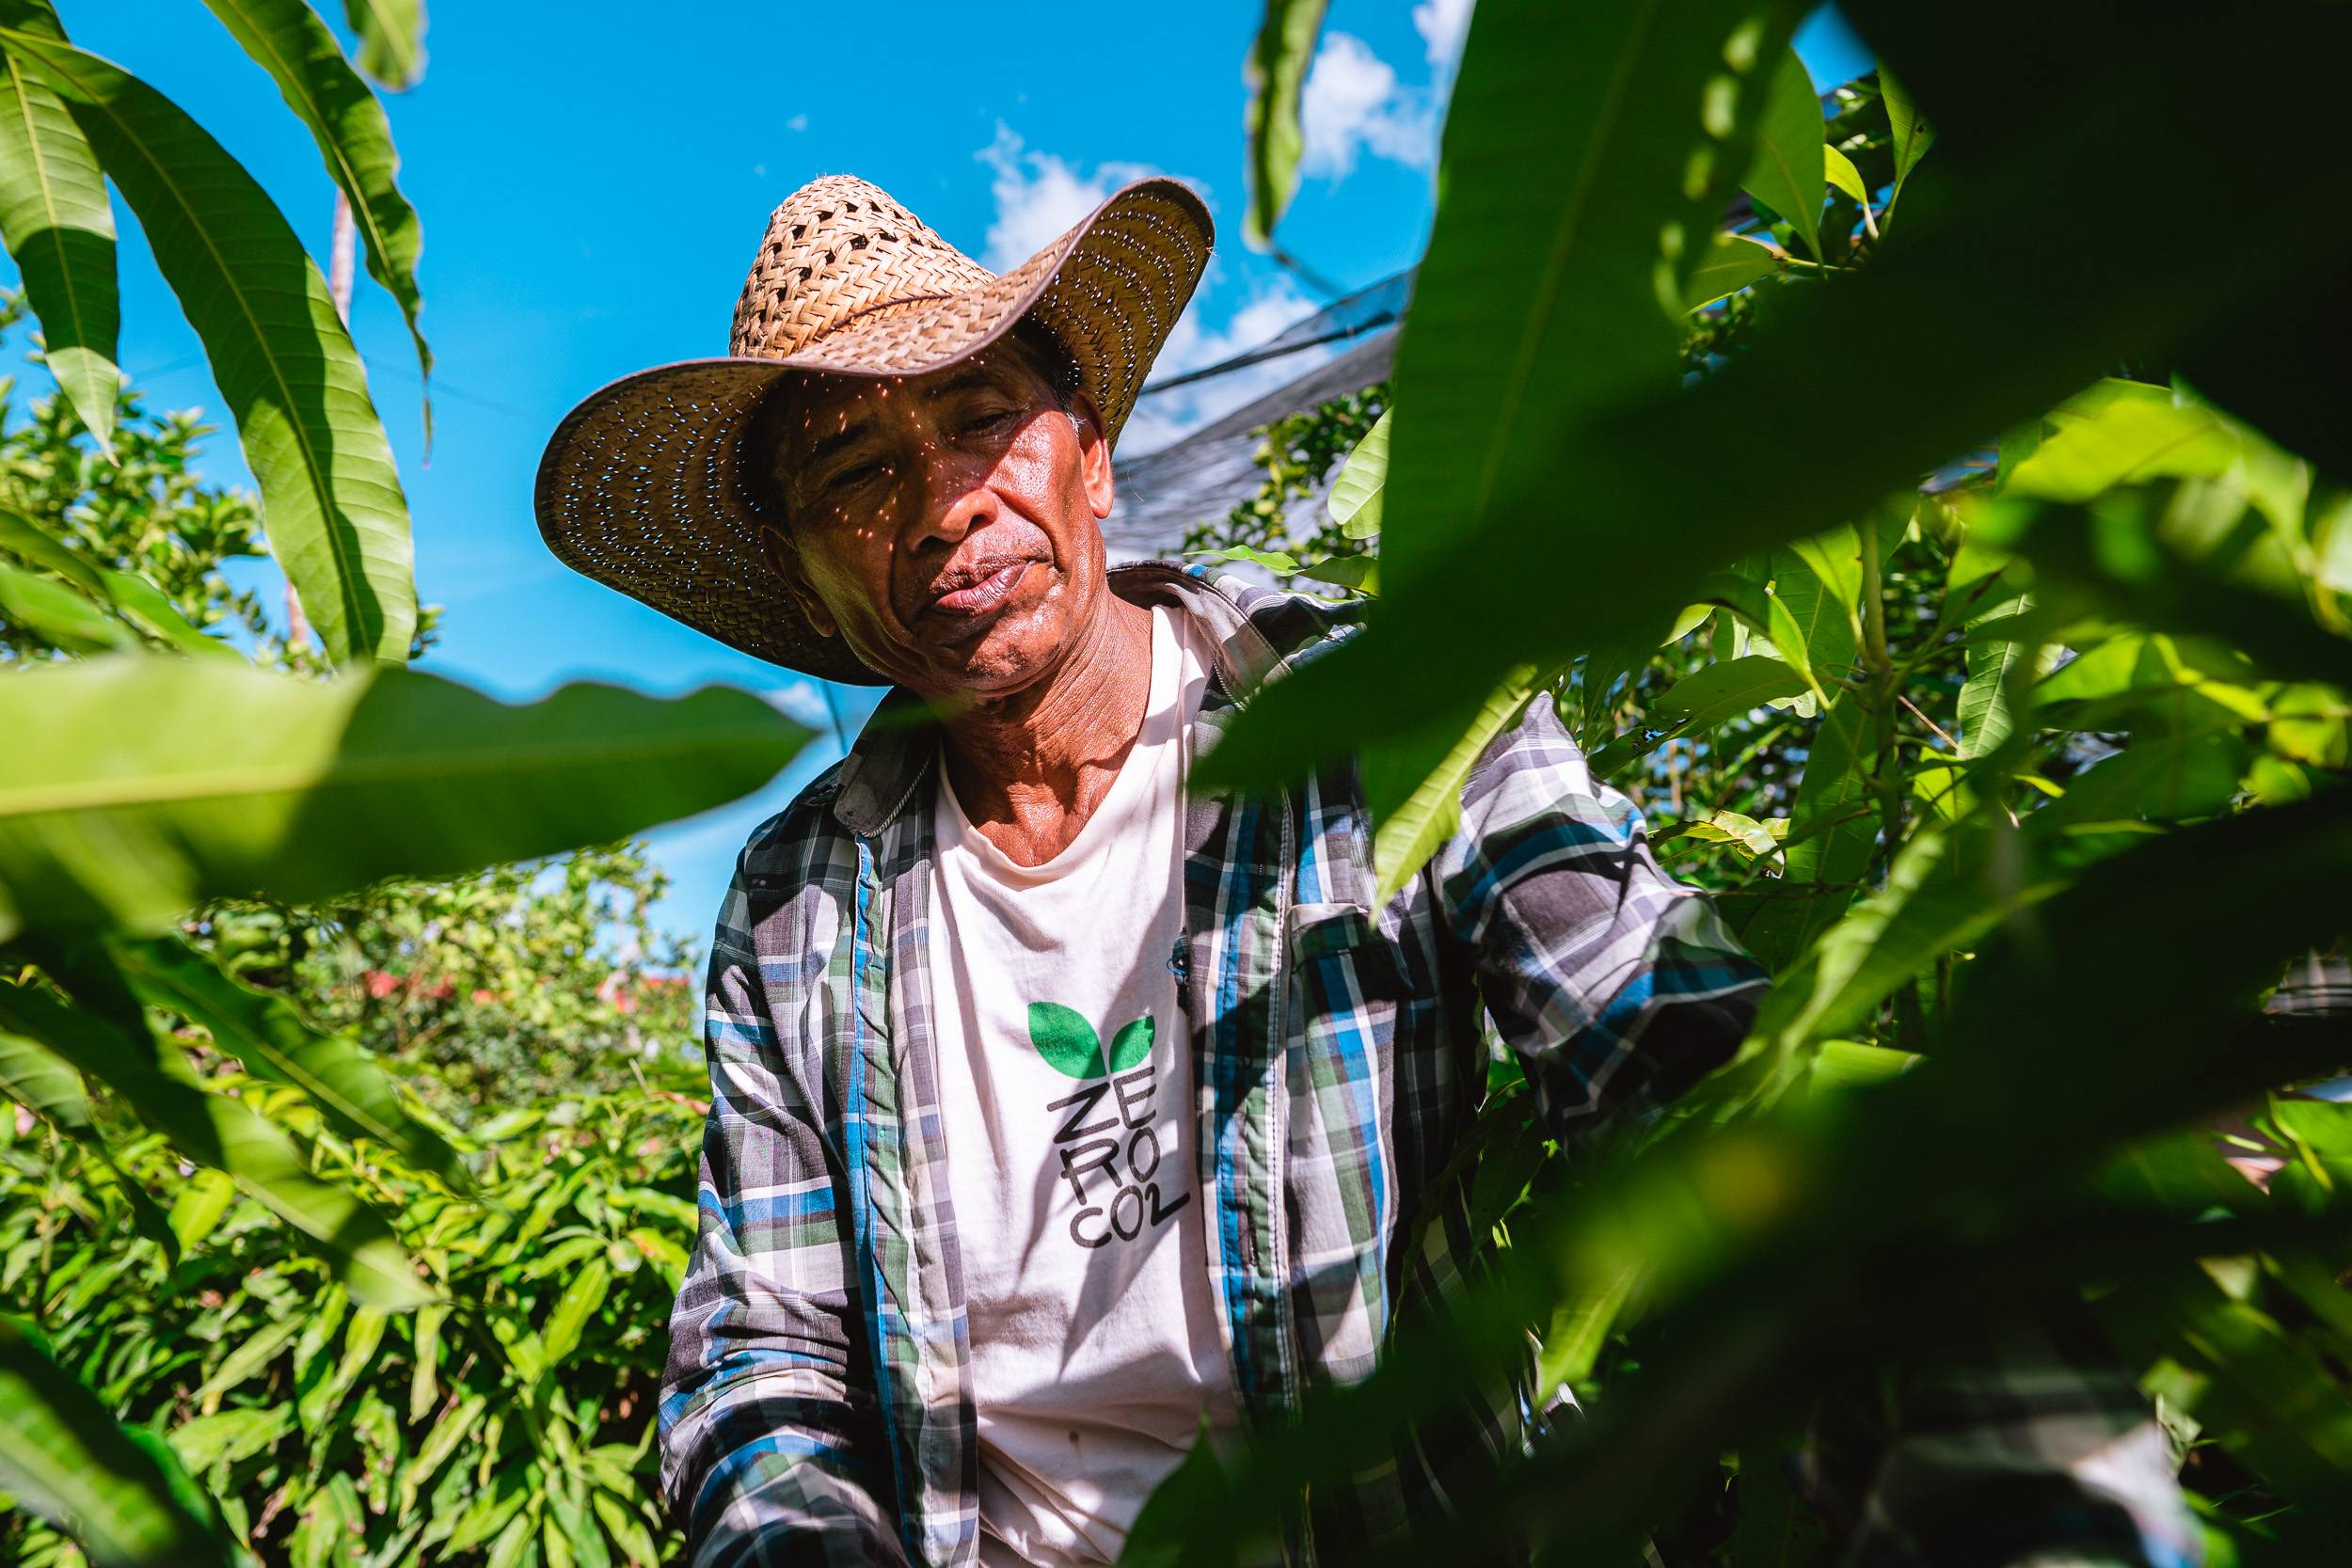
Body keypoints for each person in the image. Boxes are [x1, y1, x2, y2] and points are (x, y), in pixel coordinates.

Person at [535, 176, 2195, 1568]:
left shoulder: (1379, 714)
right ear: (813, 586)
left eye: (984, 419)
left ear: (1091, 454)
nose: (947, 503)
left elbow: (1671, 1048)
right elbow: (764, 1352)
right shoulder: (801, 903)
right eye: (855, 476)